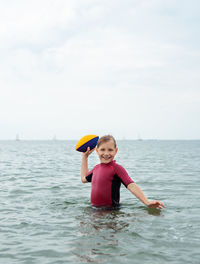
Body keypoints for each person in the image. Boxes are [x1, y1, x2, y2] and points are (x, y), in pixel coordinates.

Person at [81, 135, 165, 209]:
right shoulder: (96, 168)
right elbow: (84, 179)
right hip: (94, 210)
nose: (106, 153)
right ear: (97, 150)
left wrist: (147, 202)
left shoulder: (116, 168)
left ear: (116, 151)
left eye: (110, 150)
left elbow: (131, 185)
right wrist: (85, 157)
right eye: (102, 149)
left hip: (111, 211)